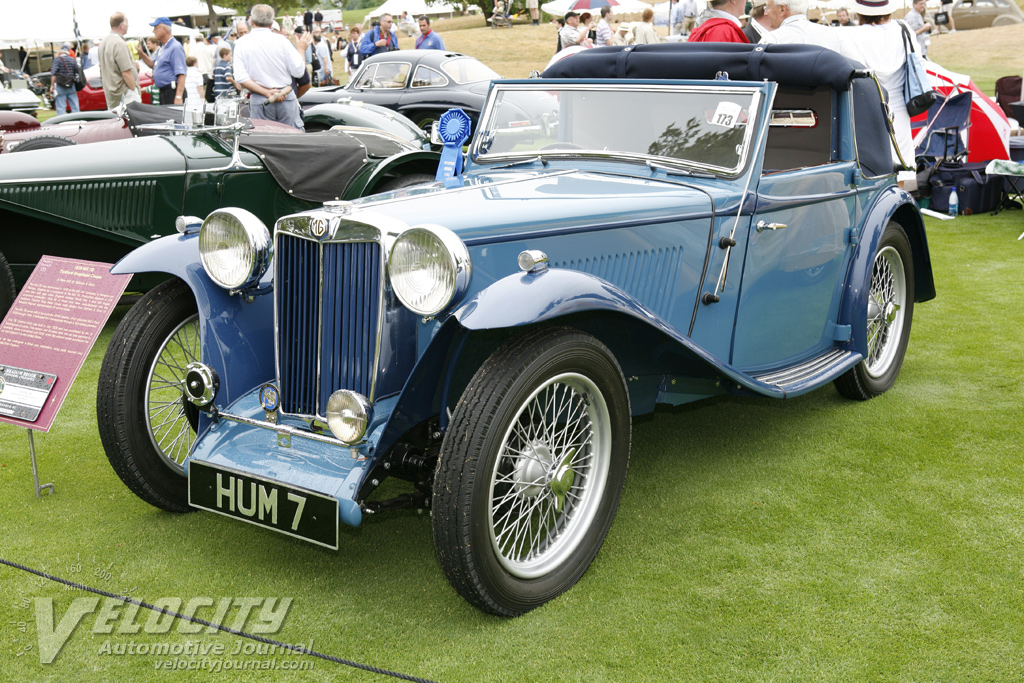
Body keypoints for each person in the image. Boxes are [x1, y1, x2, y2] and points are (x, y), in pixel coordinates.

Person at [843, 0, 915, 186]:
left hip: (867, 106)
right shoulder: (902, 28)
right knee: (901, 166)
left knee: (870, 168)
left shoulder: (852, 34)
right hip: (898, 106)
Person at [233, 4, 306, 129]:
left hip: (260, 100)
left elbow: (240, 77)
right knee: (293, 142)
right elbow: (298, 72)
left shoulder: (242, 43)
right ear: (272, 23)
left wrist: (266, 92)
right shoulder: (282, 41)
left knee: (263, 144)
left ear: (251, 21)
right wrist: (301, 50)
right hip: (285, 97)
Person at [140, 17, 187, 105]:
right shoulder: (163, 48)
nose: (153, 31)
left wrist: (178, 96)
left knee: (172, 118)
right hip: (164, 92)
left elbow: (182, 74)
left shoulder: (175, 47)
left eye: (156, 28)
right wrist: (142, 54)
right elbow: (153, 64)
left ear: (165, 30)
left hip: (172, 92)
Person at [760, 0, 842, 50]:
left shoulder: (771, 40)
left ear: (782, 9)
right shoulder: (833, 34)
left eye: (767, 8)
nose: (765, 13)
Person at [97, 12, 139, 109]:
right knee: (131, 122)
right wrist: (134, 90)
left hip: (111, 93)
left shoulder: (103, 42)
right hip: (124, 93)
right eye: (127, 23)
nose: (128, 26)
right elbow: (126, 72)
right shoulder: (119, 43)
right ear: (122, 25)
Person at [50, 44, 80, 113]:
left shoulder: (57, 60)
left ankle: (61, 122)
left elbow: (53, 73)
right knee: (75, 105)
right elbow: (77, 71)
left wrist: (52, 85)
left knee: (61, 106)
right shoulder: (72, 59)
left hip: (60, 85)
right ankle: (77, 119)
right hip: (71, 84)